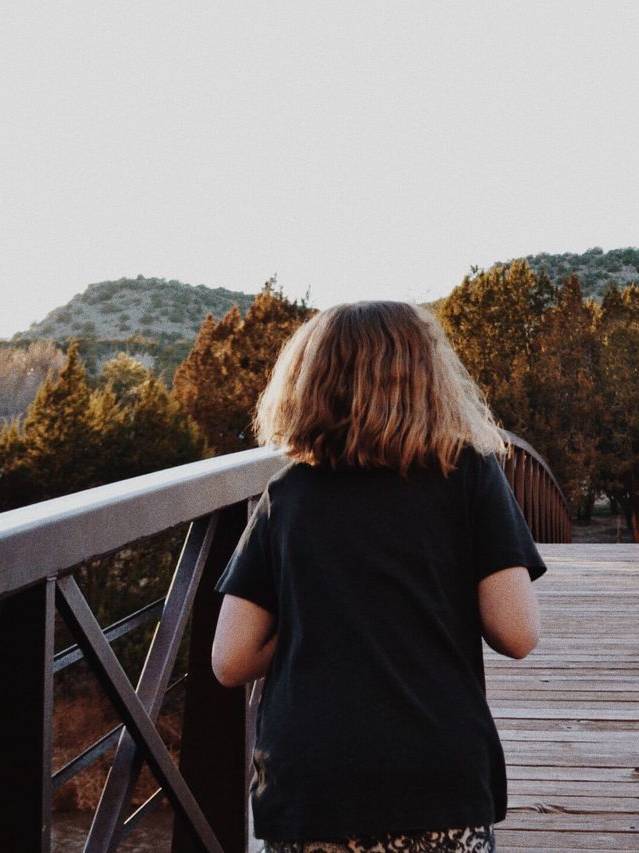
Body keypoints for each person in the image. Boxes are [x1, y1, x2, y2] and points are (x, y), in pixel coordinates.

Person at [211, 300, 545, 853]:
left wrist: (324, 620)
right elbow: (517, 633)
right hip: (434, 776)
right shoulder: (469, 476)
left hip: (312, 785)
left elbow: (230, 659)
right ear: (431, 378)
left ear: (309, 383)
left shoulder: (289, 495)